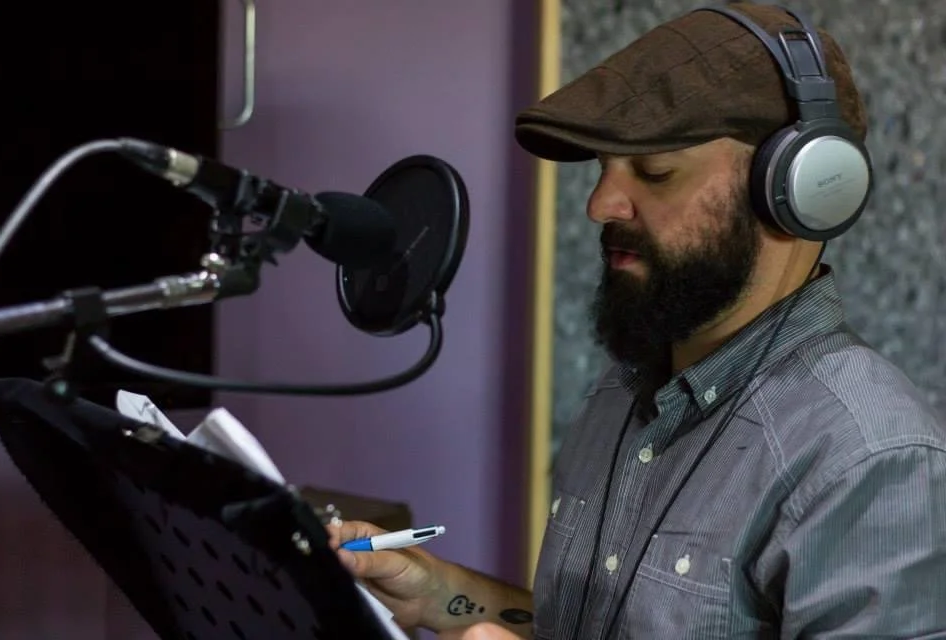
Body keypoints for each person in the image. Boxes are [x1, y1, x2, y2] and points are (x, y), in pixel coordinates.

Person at [328, 3, 946, 639]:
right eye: (604, 169)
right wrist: (442, 595)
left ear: (802, 189)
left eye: (655, 171)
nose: (601, 204)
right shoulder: (622, 392)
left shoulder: (871, 460)